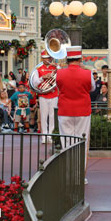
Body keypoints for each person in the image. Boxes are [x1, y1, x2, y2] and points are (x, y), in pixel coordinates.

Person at [56, 46, 95, 181]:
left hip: (65, 110)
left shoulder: (59, 73)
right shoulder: (87, 73)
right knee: (82, 142)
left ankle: (69, 176)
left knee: (66, 143)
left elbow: (58, 87)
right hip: (83, 111)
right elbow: (92, 88)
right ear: (80, 58)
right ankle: (79, 177)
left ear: (67, 58)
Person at [35, 50, 58, 143]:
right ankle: (44, 136)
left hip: (54, 93)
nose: (46, 60)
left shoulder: (55, 68)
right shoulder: (38, 69)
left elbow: (60, 79)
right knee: (44, 116)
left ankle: (51, 136)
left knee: (52, 116)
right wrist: (43, 78)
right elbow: (35, 83)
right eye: (44, 58)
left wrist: (58, 68)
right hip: (43, 94)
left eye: (47, 58)